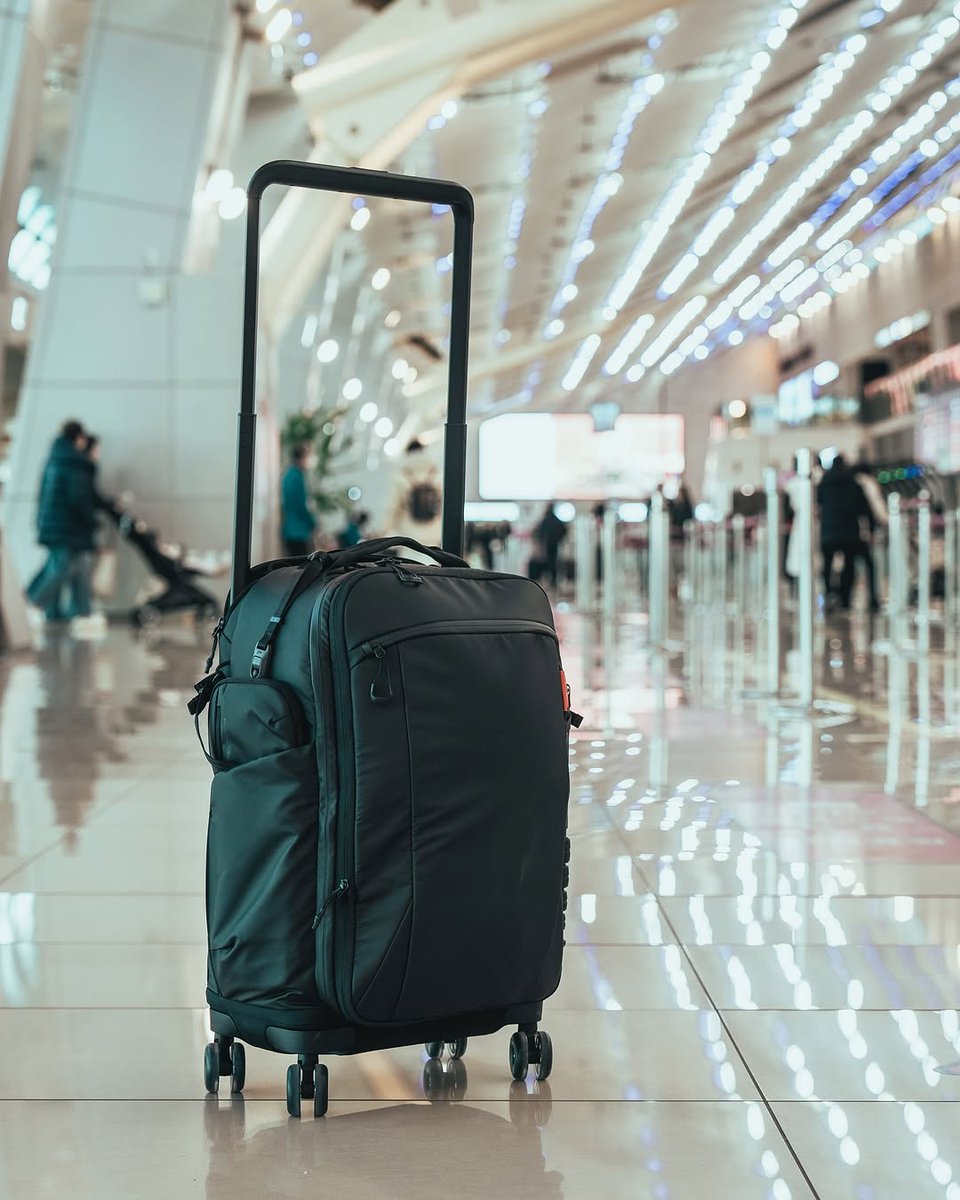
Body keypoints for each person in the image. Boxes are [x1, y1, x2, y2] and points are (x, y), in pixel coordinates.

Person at [27, 419, 98, 625]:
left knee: (59, 567)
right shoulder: (74, 461)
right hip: (67, 527)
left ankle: (54, 614)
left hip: (54, 524)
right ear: (79, 438)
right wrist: (90, 522)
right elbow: (78, 498)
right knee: (60, 568)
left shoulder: (56, 458)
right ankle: (33, 605)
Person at [817, 454, 876, 611]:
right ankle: (845, 597)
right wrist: (871, 529)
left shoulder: (824, 484)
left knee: (827, 565)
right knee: (848, 566)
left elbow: (817, 505)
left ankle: (829, 593)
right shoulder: (854, 484)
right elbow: (865, 509)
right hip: (850, 531)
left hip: (828, 532)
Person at [281, 444, 317, 557]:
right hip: (298, 532)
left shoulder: (288, 474)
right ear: (302, 458)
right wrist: (312, 523)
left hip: (290, 530)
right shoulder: (296, 476)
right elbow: (300, 505)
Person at [532, 502, 568, 589]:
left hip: (546, 545)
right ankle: (553, 581)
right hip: (554, 545)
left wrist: (540, 543)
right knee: (553, 563)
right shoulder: (556, 520)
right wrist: (559, 539)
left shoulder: (545, 519)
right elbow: (564, 530)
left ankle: (547, 580)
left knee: (547, 562)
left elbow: (538, 532)